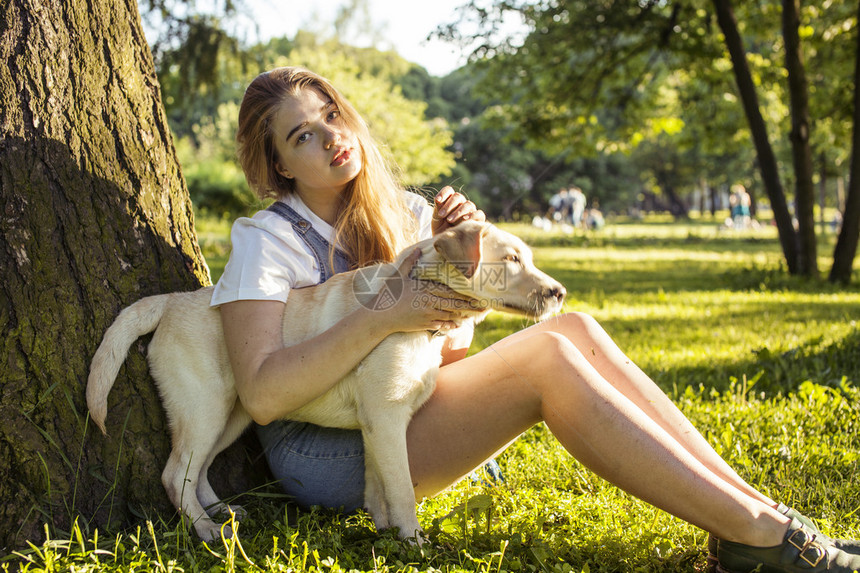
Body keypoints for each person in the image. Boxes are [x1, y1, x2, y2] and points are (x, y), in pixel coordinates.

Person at [211, 66, 860, 572]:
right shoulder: (266, 240)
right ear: (278, 167)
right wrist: (385, 316)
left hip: (402, 412)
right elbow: (263, 394)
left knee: (572, 329)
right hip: (322, 450)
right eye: (303, 135)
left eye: (331, 114)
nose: (330, 136)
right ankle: (764, 537)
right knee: (546, 358)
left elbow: (447, 355)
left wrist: (455, 272)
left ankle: (763, 517)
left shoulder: (407, 213)